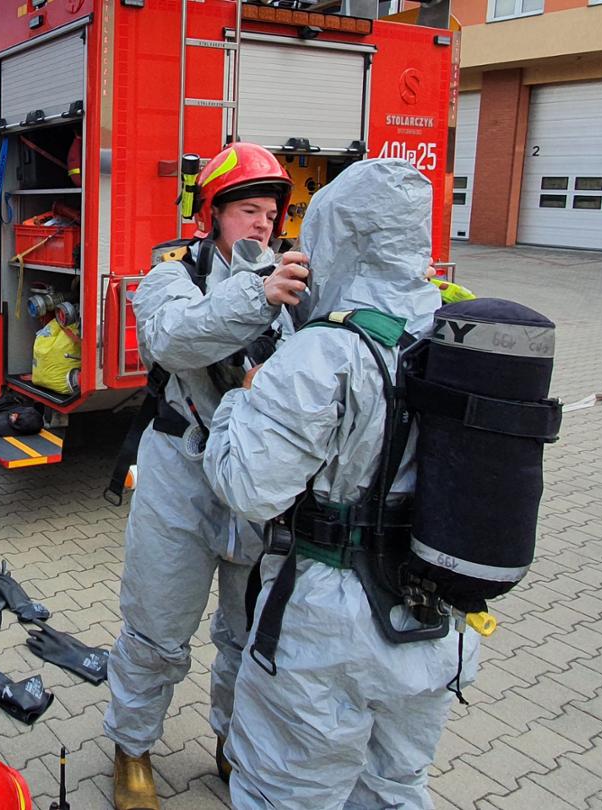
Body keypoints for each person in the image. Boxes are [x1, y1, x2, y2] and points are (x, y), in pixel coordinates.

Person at [202, 158, 481, 808]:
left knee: (285, 792)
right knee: (394, 788)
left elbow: (250, 488)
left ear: (339, 237)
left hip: (326, 628)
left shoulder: (324, 351)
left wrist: (242, 402)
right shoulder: (456, 330)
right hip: (430, 621)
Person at [106, 142, 311, 810]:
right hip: (179, 475)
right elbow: (172, 339)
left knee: (247, 634)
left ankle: (232, 744)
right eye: (246, 210)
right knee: (157, 627)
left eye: (271, 212)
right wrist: (258, 296)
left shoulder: (290, 286)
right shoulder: (174, 275)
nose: (262, 224)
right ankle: (132, 748)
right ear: (209, 218)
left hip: (257, 484)